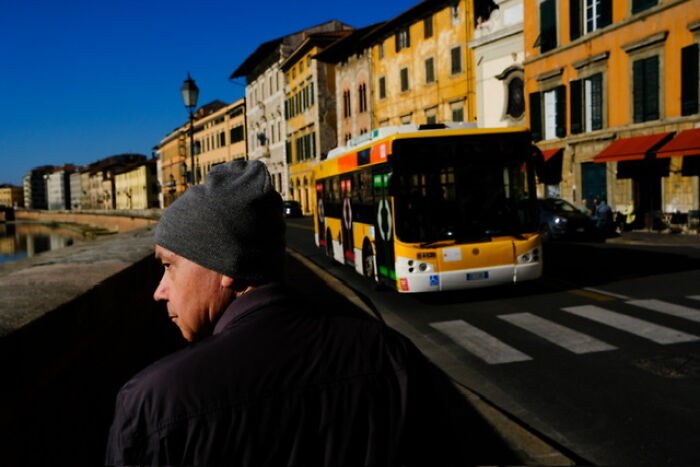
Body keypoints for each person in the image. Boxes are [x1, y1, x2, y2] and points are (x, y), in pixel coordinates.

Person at [105, 160, 512, 466]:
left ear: (226, 267)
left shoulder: (154, 400)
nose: (159, 291)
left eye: (168, 265)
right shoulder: (391, 353)